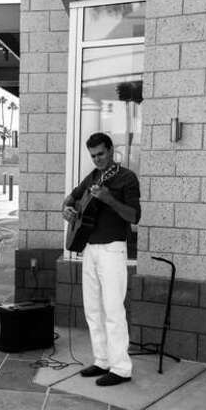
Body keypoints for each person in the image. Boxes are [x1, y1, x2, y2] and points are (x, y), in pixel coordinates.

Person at [62, 132, 141, 386]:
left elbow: (134, 216)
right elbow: (71, 197)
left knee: (113, 310)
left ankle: (121, 368)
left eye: (101, 154)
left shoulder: (127, 177)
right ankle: (102, 360)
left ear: (111, 150)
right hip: (91, 249)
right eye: (93, 155)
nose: (97, 159)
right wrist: (68, 209)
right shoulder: (93, 176)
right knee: (93, 309)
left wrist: (109, 199)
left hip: (113, 249)